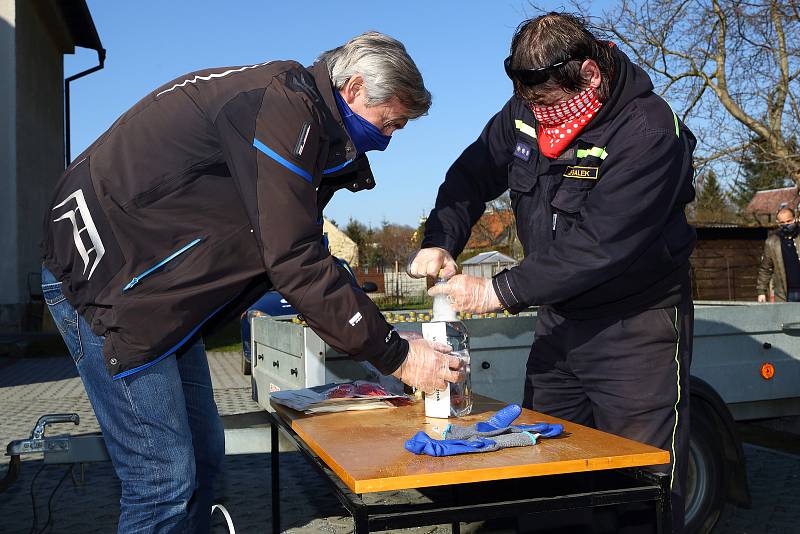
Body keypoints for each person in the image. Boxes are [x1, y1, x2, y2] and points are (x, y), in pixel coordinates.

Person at [41, 32, 461, 533]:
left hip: (159, 296)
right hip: (108, 284)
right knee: (162, 481)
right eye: (390, 122)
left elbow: (292, 243)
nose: (390, 139)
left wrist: (386, 337)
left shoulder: (303, 119)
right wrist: (398, 356)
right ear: (352, 90)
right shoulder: (283, 106)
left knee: (203, 457)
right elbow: (293, 259)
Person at [408, 13, 696, 532]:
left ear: (588, 73)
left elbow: (600, 246)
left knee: (639, 482)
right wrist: (440, 240)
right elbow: (471, 173)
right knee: (541, 469)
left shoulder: (647, 130)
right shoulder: (524, 109)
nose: (539, 117)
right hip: (560, 322)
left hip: (636, 329)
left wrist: (498, 290)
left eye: (547, 104)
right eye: (530, 103)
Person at [756, 207, 800, 302]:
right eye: (782, 223)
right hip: (784, 294)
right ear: (778, 223)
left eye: (789, 221)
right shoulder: (772, 242)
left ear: (795, 219)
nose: (786, 224)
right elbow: (766, 268)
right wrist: (761, 291)